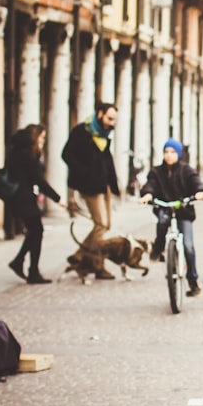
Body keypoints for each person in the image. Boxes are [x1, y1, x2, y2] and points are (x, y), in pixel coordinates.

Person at [139, 139, 203, 296]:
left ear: (179, 154)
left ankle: (192, 280)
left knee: (188, 246)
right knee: (162, 221)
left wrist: (200, 192)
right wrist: (147, 195)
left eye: (172, 152)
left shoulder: (186, 170)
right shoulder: (156, 171)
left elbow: (197, 182)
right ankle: (158, 248)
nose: (169, 156)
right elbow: (150, 185)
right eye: (166, 152)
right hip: (164, 207)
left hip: (184, 211)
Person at [62, 102, 120, 279]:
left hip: (103, 185)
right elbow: (67, 155)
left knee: (105, 225)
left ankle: (80, 256)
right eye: (110, 118)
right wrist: (84, 174)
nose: (112, 123)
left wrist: (114, 183)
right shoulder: (82, 131)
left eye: (114, 120)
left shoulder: (104, 135)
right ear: (100, 114)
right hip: (89, 187)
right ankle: (95, 264)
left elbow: (106, 160)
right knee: (101, 224)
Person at [6, 124, 68, 284]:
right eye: (42, 137)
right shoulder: (30, 155)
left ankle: (21, 262)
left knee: (35, 231)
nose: (43, 141)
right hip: (25, 198)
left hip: (18, 198)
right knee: (36, 231)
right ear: (35, 138)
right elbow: (39, 181)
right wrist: (58, 198)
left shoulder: (15, 152)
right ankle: (32, 271)